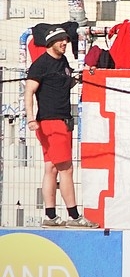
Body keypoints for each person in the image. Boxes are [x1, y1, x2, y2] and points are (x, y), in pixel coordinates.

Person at [24, 27, 99, 228]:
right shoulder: (40, 64)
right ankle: (74, 216)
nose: (65, 43)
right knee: (66, 169)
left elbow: (63, 85)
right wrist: (30, 118)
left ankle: (50, 216)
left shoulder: (63, 61)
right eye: (61, 40)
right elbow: (29, 91)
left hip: (61, 121)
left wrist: (81, 77)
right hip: (52, 122)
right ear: (51, 43)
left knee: (51, 168)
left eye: (66, 40)